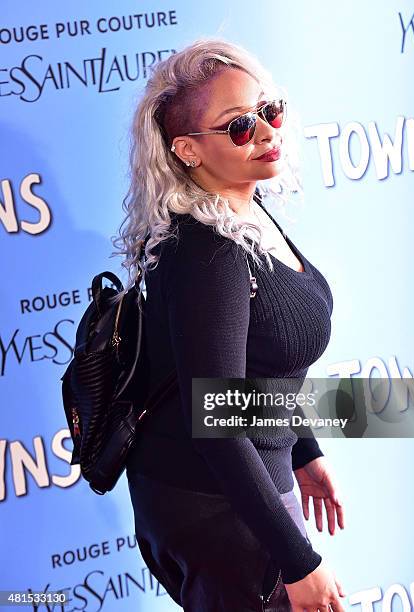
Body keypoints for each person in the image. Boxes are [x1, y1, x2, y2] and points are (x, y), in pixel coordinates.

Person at [112, 37, 347, 611]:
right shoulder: (207, 253)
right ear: (188, 151)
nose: (266, 132)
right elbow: (215, 423)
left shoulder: (245, 208)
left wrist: (302, 450)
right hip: (216, 507)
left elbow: (262, 367)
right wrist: (298, 562)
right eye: (240, 126)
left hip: (249, 487)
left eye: (269, 112)